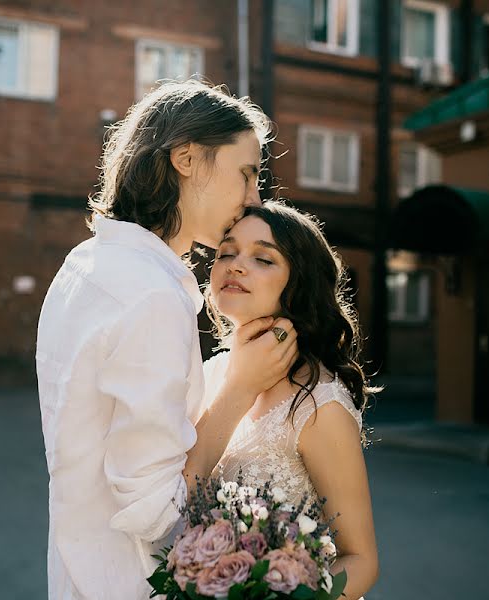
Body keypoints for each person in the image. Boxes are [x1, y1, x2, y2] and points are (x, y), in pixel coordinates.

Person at [36, 80, 298, 600]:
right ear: (187, 159)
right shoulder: (148, 294)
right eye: (246, 173)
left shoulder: (83, 265)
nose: (255, 198)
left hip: (78, 573)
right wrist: (239, 391)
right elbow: (157, 513)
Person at [203, 201, 380, 599]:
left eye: (263, 258)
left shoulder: (318, 404)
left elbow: (361, 560)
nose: (235, 265)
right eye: (226, 252)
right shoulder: (208, 376)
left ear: (299, 283)